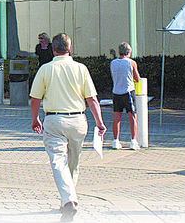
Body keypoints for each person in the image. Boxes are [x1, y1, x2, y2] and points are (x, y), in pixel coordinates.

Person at [29, 33, 106, 222]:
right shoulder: (81, 68)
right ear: (69, 48)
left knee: (58, 161)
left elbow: (35, 98)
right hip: (78, 120)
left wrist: (35, 119)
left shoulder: (46, 69)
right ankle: (68, 199)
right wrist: (100, 122)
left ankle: (69, 199)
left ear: (53, 49)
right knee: (73, 162)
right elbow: (92, 99)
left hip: (54, 120)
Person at [110, 42, 141, 150]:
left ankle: (115, 140)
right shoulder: (131, 63)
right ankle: (133, 141)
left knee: (117, 117)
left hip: (116, 92)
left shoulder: (113, 63)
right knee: (132, 116)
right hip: (128, 91)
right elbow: (137, 78)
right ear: (129, 52)